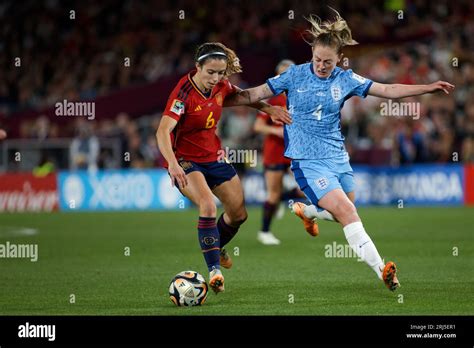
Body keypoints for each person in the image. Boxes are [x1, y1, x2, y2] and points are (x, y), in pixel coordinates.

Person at [224, 9, 454, 291]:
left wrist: (427, 88)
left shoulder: (345, 79)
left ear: (338, 58)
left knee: (343, 212)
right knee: (348, 212)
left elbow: (389, 89)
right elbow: (252, 95)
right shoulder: (293, 76)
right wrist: (217, 96)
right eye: (318, 60)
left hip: (338, 159)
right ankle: (383, 269)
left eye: (328, 62)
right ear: (311, 54)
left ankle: (308, 212)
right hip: (308, 162)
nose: (322, 66)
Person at [156, 42, 288, 294]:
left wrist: (269, 108)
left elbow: (244, 96)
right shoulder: (183, 93)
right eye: (210, 73)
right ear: (197, 68)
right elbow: (163, 131)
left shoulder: (220, 86)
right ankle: (214, 271)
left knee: (239, 214)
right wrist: (172, 164)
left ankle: (216, 245)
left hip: (214, 156)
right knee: (207, 205)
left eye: (220, 73)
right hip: (185, 160)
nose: (215, 78)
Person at [254, 59, 304, 245]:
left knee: (302, 189)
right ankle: (264, 231)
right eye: (282, 74)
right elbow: (258, 126)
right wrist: (277, 130)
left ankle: (280, 202)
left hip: (296, 151)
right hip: (275, 152)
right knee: (273, 194)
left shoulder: (300, 97)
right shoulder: (272, 99)